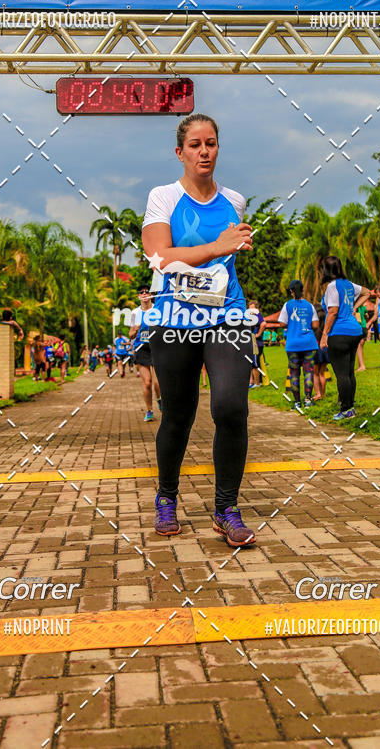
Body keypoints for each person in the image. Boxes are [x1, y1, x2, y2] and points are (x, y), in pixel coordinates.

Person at [142, 112, 256, 548]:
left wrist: (227, 251)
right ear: (180, 152)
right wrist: (217, 247)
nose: (204, 151)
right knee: (179, 415)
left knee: (230, 407)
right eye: (195, 145)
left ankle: (226, 508)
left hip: (227, 315)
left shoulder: (235, 201)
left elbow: (225, 261)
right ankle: (166, 497)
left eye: (211, 143)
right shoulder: (163, 197)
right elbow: (158, 257)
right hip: (176, 318)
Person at [319, 256, 370, 420]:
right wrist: (353, 308)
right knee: (349, 372)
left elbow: (333, 311)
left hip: (339, 333)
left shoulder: (332, 286)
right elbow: (367, 292)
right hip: (354, 331)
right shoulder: (348, 284)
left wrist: (324, 334)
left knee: (341, 373)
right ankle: (350, 406)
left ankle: (346, 408)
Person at [278, 280, 319, 409]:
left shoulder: (287, 305)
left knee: (294, 372)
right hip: (309, 343)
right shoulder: (309, 305)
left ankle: (297, 402)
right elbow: (315, 325)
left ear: (291, 291)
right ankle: (307, 400)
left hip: (293, 344)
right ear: (302, 290)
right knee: (309, 372)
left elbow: (282, 323)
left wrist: (292, 324)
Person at [129, 286, 162, 422]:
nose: (144, 294)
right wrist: (135, 330)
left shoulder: (157, 309)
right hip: (141, 349)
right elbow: (130, 335)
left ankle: (160, 399)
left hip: (156, 347)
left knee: (158, 384)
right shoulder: (135, 313)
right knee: (147, 383)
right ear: (138, 296)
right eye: (141, 292)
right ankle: (149, 410)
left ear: (151, 294)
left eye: (147, 291)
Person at [313, 302, 329, 401]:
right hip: (325, 349)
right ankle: (323, 394)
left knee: (315, 373)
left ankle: (317, 394)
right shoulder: (326, 324)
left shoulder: (314, 326)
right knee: (322, 373)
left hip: (316, 349)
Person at [248, 300, 265, 388]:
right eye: (249, 308)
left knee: (255, 363)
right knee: (252, 363)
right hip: (252, 343)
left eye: (253, 308)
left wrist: (258, 334)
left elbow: (263, 324)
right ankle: (252, 382)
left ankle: (257, 383)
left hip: (257, 343)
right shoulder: (250, 316)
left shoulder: (258, 315)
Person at [355, 304, 367, 372]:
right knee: (361, 347)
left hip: (359, 327)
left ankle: (362, 366)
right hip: (364, 327)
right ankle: (360, 365)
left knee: (358, 347)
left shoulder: (355, 308)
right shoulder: (363, 307)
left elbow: (357, 319)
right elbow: (366, 315)